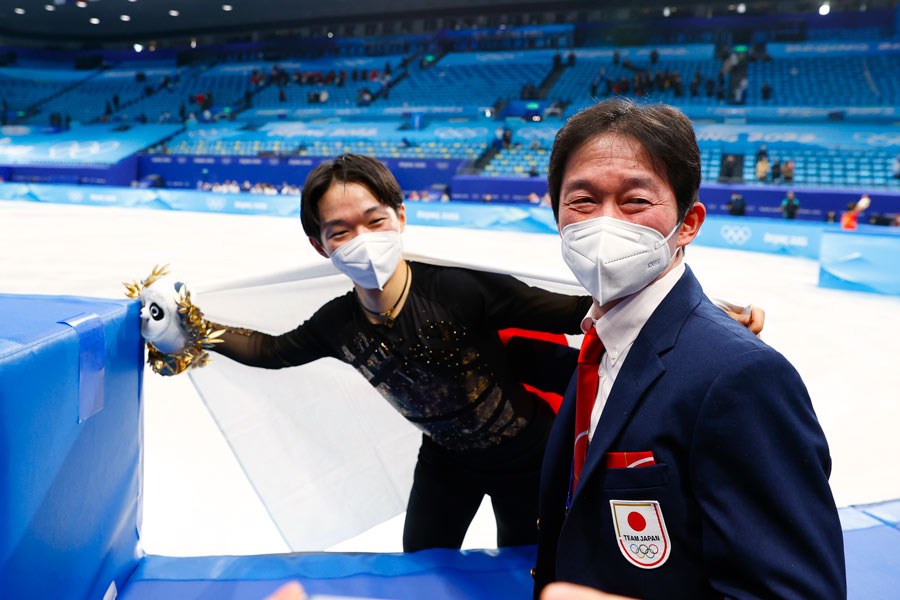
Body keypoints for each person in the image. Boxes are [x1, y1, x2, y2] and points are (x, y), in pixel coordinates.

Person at [139, 153, 763, 556]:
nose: (361, 239)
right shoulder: (336, 323)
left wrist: (703, 313)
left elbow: (573, 307)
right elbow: (274, 351)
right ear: (318, 243)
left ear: (401, 217)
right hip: (446, 464)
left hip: (531, 462)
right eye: (340, 230)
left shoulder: (459, 289)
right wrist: (197, 331)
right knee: (421, 565)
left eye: (374, 220)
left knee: (526, 570)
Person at [533, 99, 844, 599]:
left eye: (635, 201)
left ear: (689, 223)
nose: (607, 223)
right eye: (583, 201)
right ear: (558, 217)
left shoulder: (741, 376)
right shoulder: (602, 344)